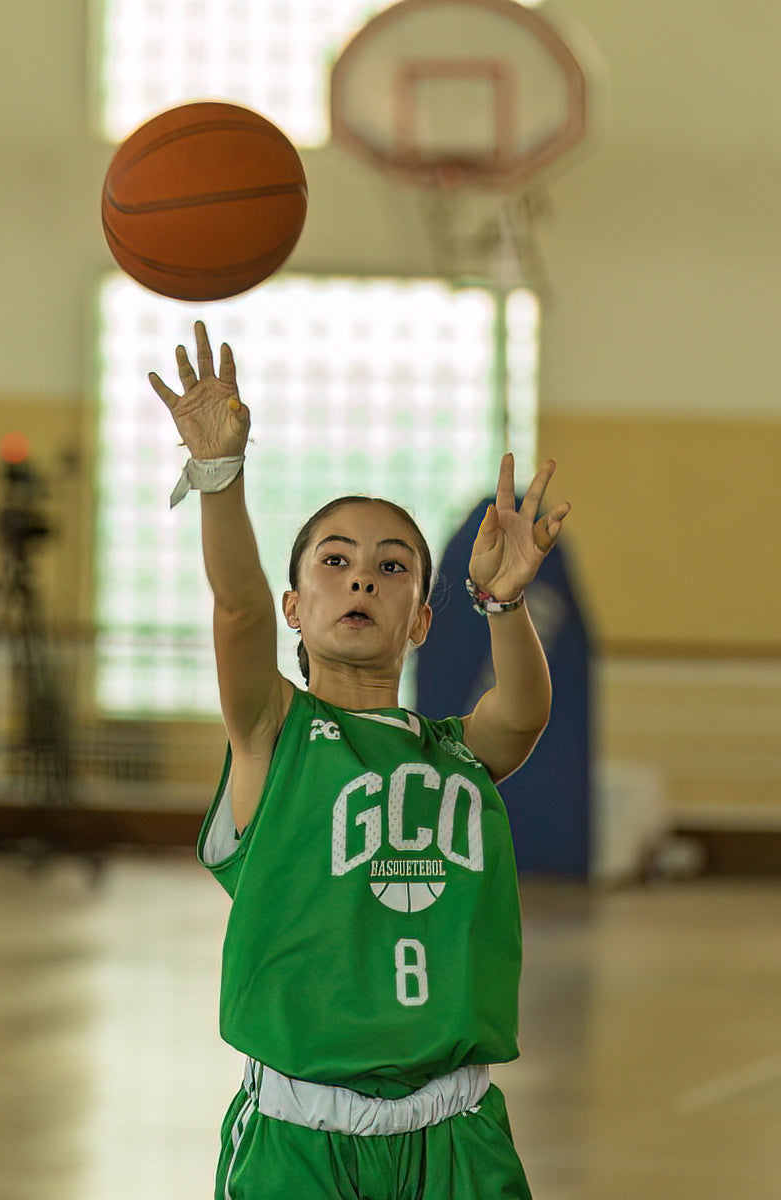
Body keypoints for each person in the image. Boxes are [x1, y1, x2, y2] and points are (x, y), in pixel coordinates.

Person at [148, 321, 571, 1200]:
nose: (363, 580)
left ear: (420, 618)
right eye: (335, 563)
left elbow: (525, 711)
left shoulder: (455, 757)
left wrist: (502, 598)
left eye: (392, 566)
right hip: (303, 1137)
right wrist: (221, 477)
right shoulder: (274, 731)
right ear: (296, 608)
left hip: (457, 1131)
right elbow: (234, 608)